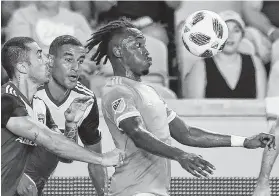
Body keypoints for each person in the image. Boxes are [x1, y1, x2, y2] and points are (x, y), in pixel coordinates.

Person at [85, 18, 276, 196]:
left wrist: (244, 141)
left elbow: (186, 134)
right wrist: (181, 155)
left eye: (144, 45)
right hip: (133, 191)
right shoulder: (117, 91)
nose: (146, 51)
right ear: (118, 51)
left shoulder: (149, 92)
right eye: (137, 46)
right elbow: (137, 134)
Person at [1, 37, 125, 196]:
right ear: (23, 67)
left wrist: (71, 124)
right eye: (39, 55)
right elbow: (51, 141)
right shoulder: (6, 100)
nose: (47, 61)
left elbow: (62, 153)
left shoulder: (40, 106)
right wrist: (102, 159)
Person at [182, 10, 267, 99]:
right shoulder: (200, 67)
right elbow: (195, 109)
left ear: (242, 36)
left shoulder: (255, 63)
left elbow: (261, 106)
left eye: (236, 31)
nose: (230, 36)